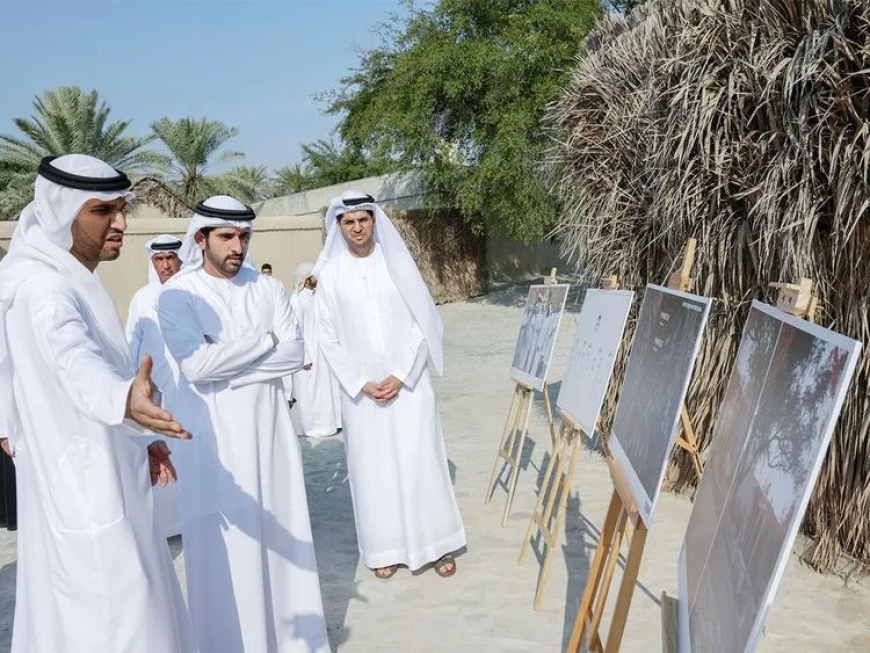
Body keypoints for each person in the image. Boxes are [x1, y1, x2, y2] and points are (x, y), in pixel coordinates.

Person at [0, 154, 197, 653]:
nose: (122, 223)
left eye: (121, 208)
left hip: (101, 474)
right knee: (112, 622)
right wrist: (122, 401)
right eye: (103, 210)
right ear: (62, 213)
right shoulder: (45, 290)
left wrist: (137, 435)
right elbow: (73, 359)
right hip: (86, 492)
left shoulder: (66, 276)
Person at [158, 196, 328, 653]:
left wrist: (228, 362)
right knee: (225, 549)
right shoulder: (178, 294)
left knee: (279, 537)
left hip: (271, 437)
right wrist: (264, 340)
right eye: (227, 237)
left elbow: (295, 352)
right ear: (201, 239)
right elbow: (196, 367)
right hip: (216, 445)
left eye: (244, 236)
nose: (239, 246)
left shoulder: (267, 289)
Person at [312, 189, 466, 580]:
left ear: (374, 220)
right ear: (338, 226)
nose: (357, 227)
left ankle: (437, 545)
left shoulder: (397, 264)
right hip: (361, 394)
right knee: (372, 468)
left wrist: (401, 374)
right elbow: (326, 337)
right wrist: (361, 382)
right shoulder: (330, 275)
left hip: (409, 386)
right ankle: (386, 549)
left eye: (363, 219)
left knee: (420, 460)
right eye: (349, 222)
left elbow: (423, 321)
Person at [126, 234, 184, 539]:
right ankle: (168, 525)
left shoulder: (193, 289)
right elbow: (131, 345)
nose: (166, 265)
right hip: (158, 394)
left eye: (171, 258)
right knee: (163, 455)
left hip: (192, 394)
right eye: (159, 259)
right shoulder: (141, 298)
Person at [288, 262, 341, 437]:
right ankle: (313, 428)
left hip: (322, 352)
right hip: (307, 354)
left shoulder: (317, 297)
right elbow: (295, 331)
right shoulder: (296, 301)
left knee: (325, 391)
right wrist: (304, 356)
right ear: (307, 279)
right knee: (310, 392)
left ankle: (329, 424)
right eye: (313, 275)